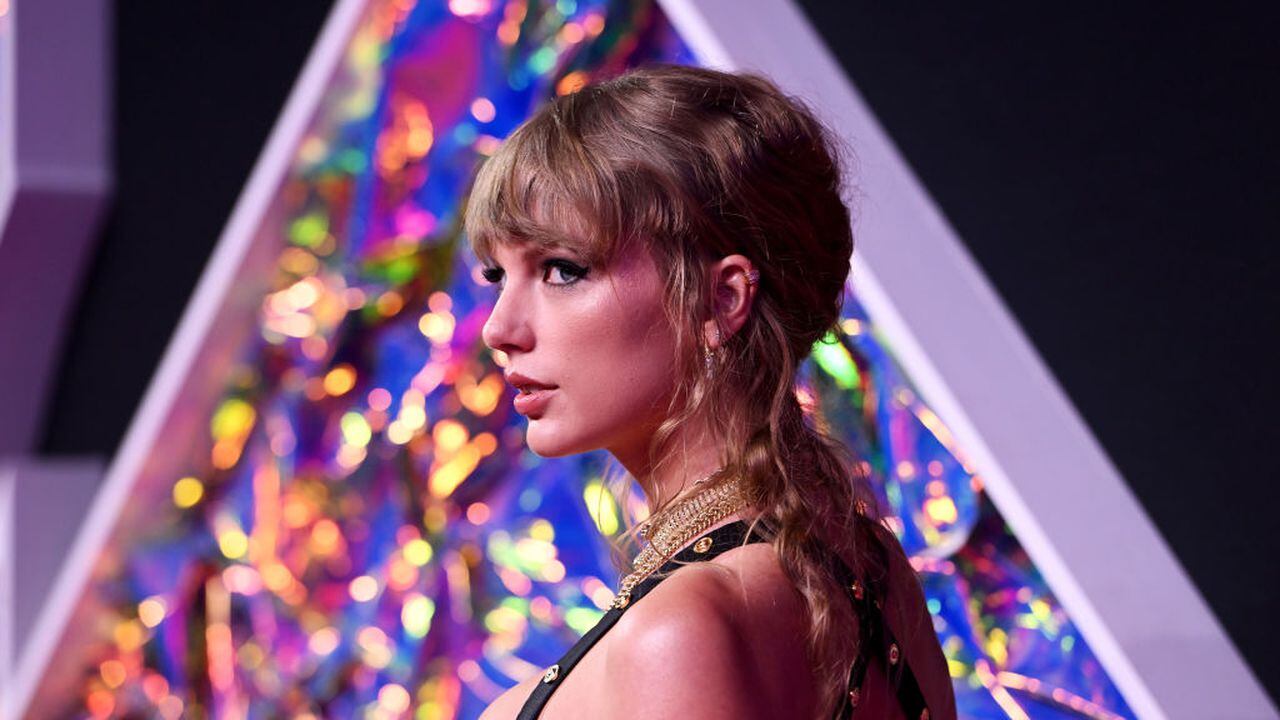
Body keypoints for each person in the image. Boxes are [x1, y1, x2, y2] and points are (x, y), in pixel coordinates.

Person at [464, 63, 956, 720]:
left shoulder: (680, 630)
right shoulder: (873, 570)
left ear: (720, 299)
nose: (500, 329)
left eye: (563, 270)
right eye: (499, 275)